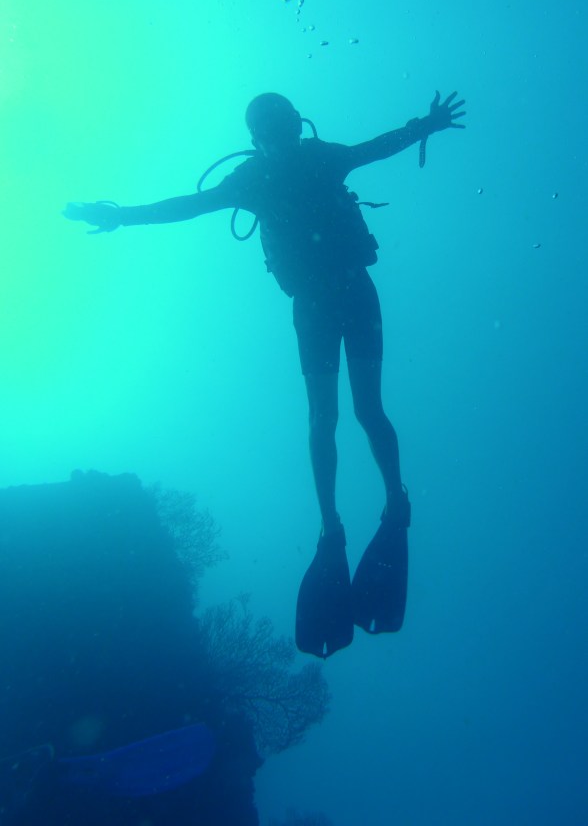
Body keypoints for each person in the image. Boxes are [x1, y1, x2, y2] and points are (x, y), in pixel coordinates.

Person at [64, 89, 465, 658]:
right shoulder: (278, 171)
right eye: (272, 131)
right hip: (332, 301)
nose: (278, 138)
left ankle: (368, 509)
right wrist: (122, 217)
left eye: (280, 128)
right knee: (338, 413)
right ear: (266, 136)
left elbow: (378, 148)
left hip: (338, 298)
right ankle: (350, 517)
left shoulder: (294, 166)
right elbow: (184, 206)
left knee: (349, 412)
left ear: (284, 130)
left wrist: (426, 123)